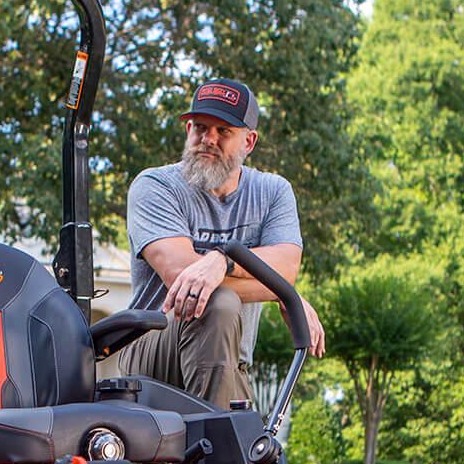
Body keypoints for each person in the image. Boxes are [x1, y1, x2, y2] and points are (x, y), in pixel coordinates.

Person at [102, 79, 325, 408]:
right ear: (188, 130)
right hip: (151, 351)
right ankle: (216, 450)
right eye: (200, 128)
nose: (209, 139)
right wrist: (276, 289)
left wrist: (223, 260)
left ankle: (220, 447)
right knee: (215, 303)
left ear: (249, 141)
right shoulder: (155, 186)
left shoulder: (273, 192)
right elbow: (183, 278)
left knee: (257, 449)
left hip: (230, 362)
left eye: (224, 131)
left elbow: (287, 267)